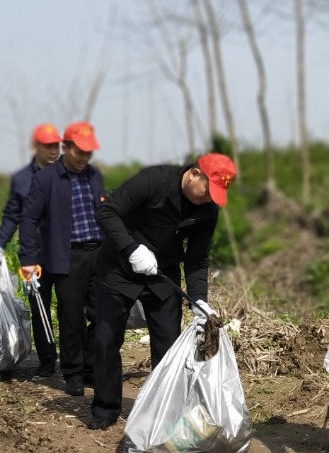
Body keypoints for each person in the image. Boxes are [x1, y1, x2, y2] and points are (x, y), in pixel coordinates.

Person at [87, 153, 234, 430]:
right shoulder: (154, 180)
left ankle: (163, 409)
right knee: (106, 340)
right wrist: (132, 249)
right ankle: (106, 407)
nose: (209, 199)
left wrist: (199, 300)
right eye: (208, 191)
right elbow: (107, 212)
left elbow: (197, 259)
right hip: (119, 269)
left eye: (216, 195)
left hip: (161, 276)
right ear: (193, 174)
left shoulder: (207, 210)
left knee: (168, 347)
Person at [19, 121, 105, 391]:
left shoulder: (95, 176)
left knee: (101, 314)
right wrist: (28, 258)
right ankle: (74, 372)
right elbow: (29, 220)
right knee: (71, 317)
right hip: (68, 256)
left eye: (88, 153)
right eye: (79, 152)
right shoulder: (46, 180)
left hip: (98, 253)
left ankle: (92, 367)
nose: (84, 158)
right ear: (65, 147)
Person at [0, 123, 61, 256]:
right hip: (34, 253)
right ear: (35, 146)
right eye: (48, 146)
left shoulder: (66, 175)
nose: (53, 151)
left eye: (56, 146)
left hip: (64, 253)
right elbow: (12, 216)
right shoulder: (21, 179)